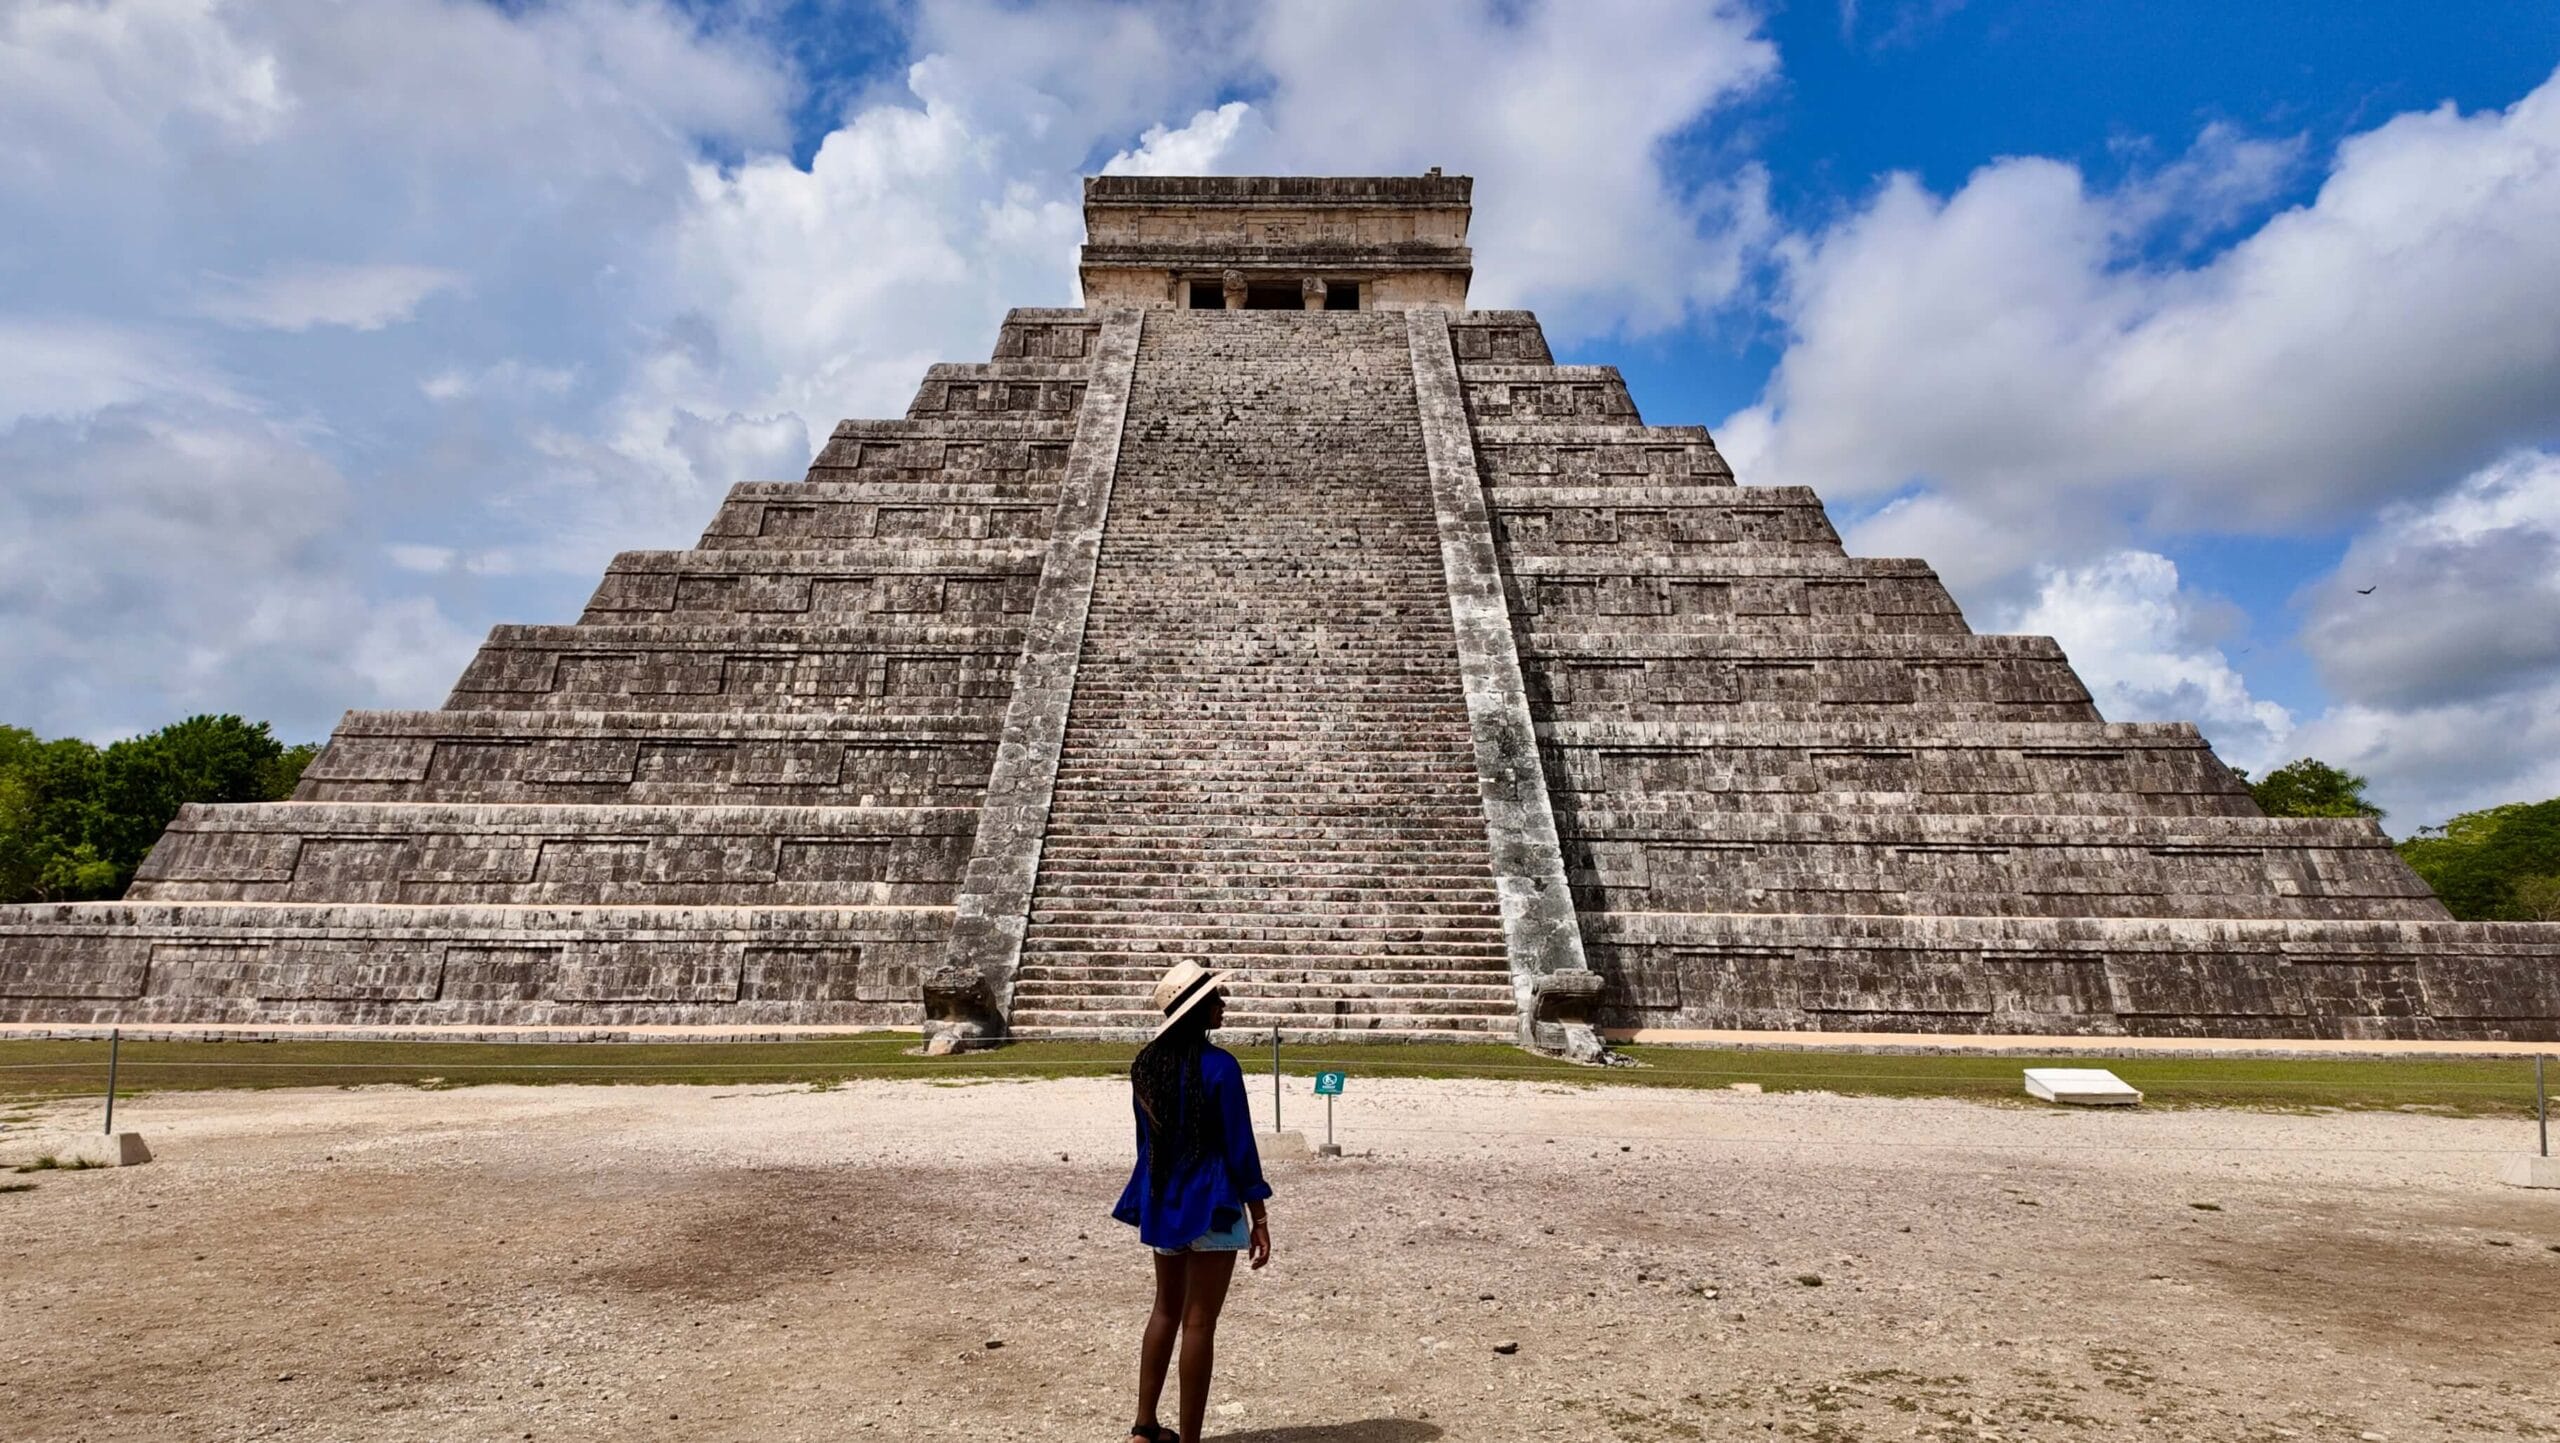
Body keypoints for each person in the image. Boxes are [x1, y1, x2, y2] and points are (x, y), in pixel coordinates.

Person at [1115, 960, 1271, 1443]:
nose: (1224, 1005)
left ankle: (1144, 1426)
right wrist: (1259, 1215)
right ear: (1198, 1010)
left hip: (1166, 1199)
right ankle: (1189, 1440)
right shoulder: (1220, 1067)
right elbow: (1239, 1146)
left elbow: (1147, 1144)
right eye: (1216, 1000)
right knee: (1200, 1322)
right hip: (1214, 1203)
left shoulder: (1146, 1066)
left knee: (1164, 1310)